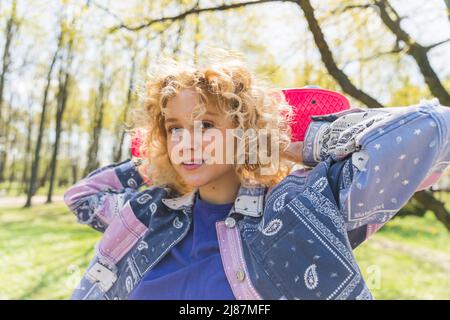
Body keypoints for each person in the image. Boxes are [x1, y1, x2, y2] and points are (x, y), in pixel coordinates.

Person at [63, 50, 450, 300]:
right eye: (175, 127)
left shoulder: (301, 207)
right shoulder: (148, 213)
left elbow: (437, 129)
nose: (186, 141)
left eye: (206, 124)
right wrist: (159, 159)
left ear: (247, 131)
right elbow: (81, 196)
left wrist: (292, 145)